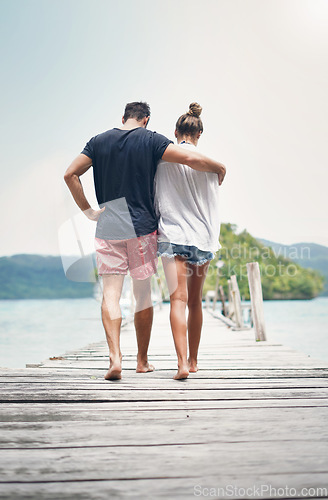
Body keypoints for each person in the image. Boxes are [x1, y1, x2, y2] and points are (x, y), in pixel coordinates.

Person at [64, 101, 226, 381]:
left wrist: (88, 211)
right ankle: (142, 361)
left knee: (111, 295)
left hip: (109, 225)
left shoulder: (98, 141)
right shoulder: (152, 140)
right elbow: (189, 158)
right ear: (146, 120)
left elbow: (70, 174)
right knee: (142, 295)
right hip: (142, 228)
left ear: (123, 117)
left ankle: (115, 358)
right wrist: (220, 167)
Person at [154, 103, 222, 380]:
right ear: (200, 134)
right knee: (195, 302)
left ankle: (181, 364)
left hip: (173, 235)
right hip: (202, 237)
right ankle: (194, 361)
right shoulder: (210, 165)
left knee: (177, 300)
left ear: (175, 132)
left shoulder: (161, 160)